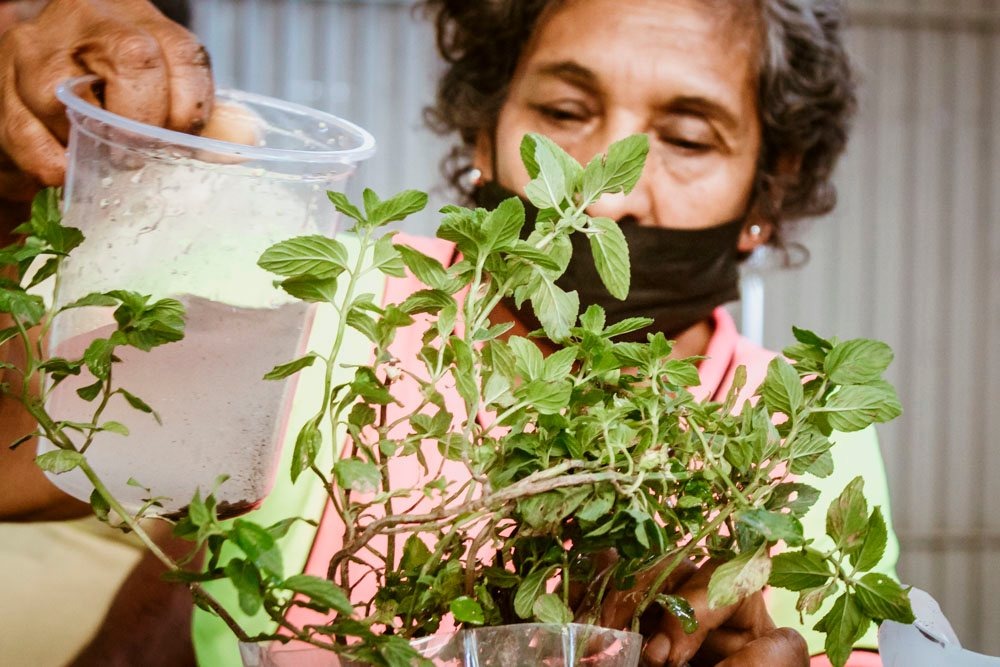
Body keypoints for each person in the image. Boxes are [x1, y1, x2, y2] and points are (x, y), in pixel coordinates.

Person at [0, 0, 897, 665]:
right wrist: (14, 193)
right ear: (482, 132)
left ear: (769, 188)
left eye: (690, 138)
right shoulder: (325, 305)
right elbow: (27, 453)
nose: (610, 194)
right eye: (563, 114)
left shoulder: (803, 423)